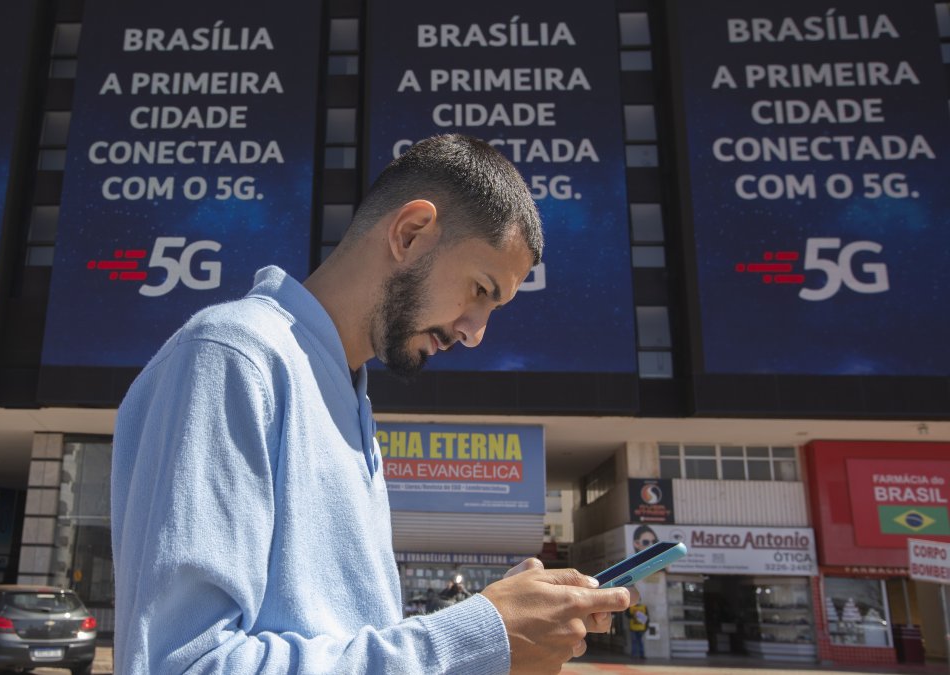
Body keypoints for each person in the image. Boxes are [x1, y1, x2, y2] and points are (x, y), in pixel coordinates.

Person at [111, 134, 635, 674]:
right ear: (410, 233)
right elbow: (182, 664)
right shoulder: (234, 356)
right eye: (481, 289)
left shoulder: (348, 400)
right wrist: (473, 641)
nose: (476, 333)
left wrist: (497, 623)